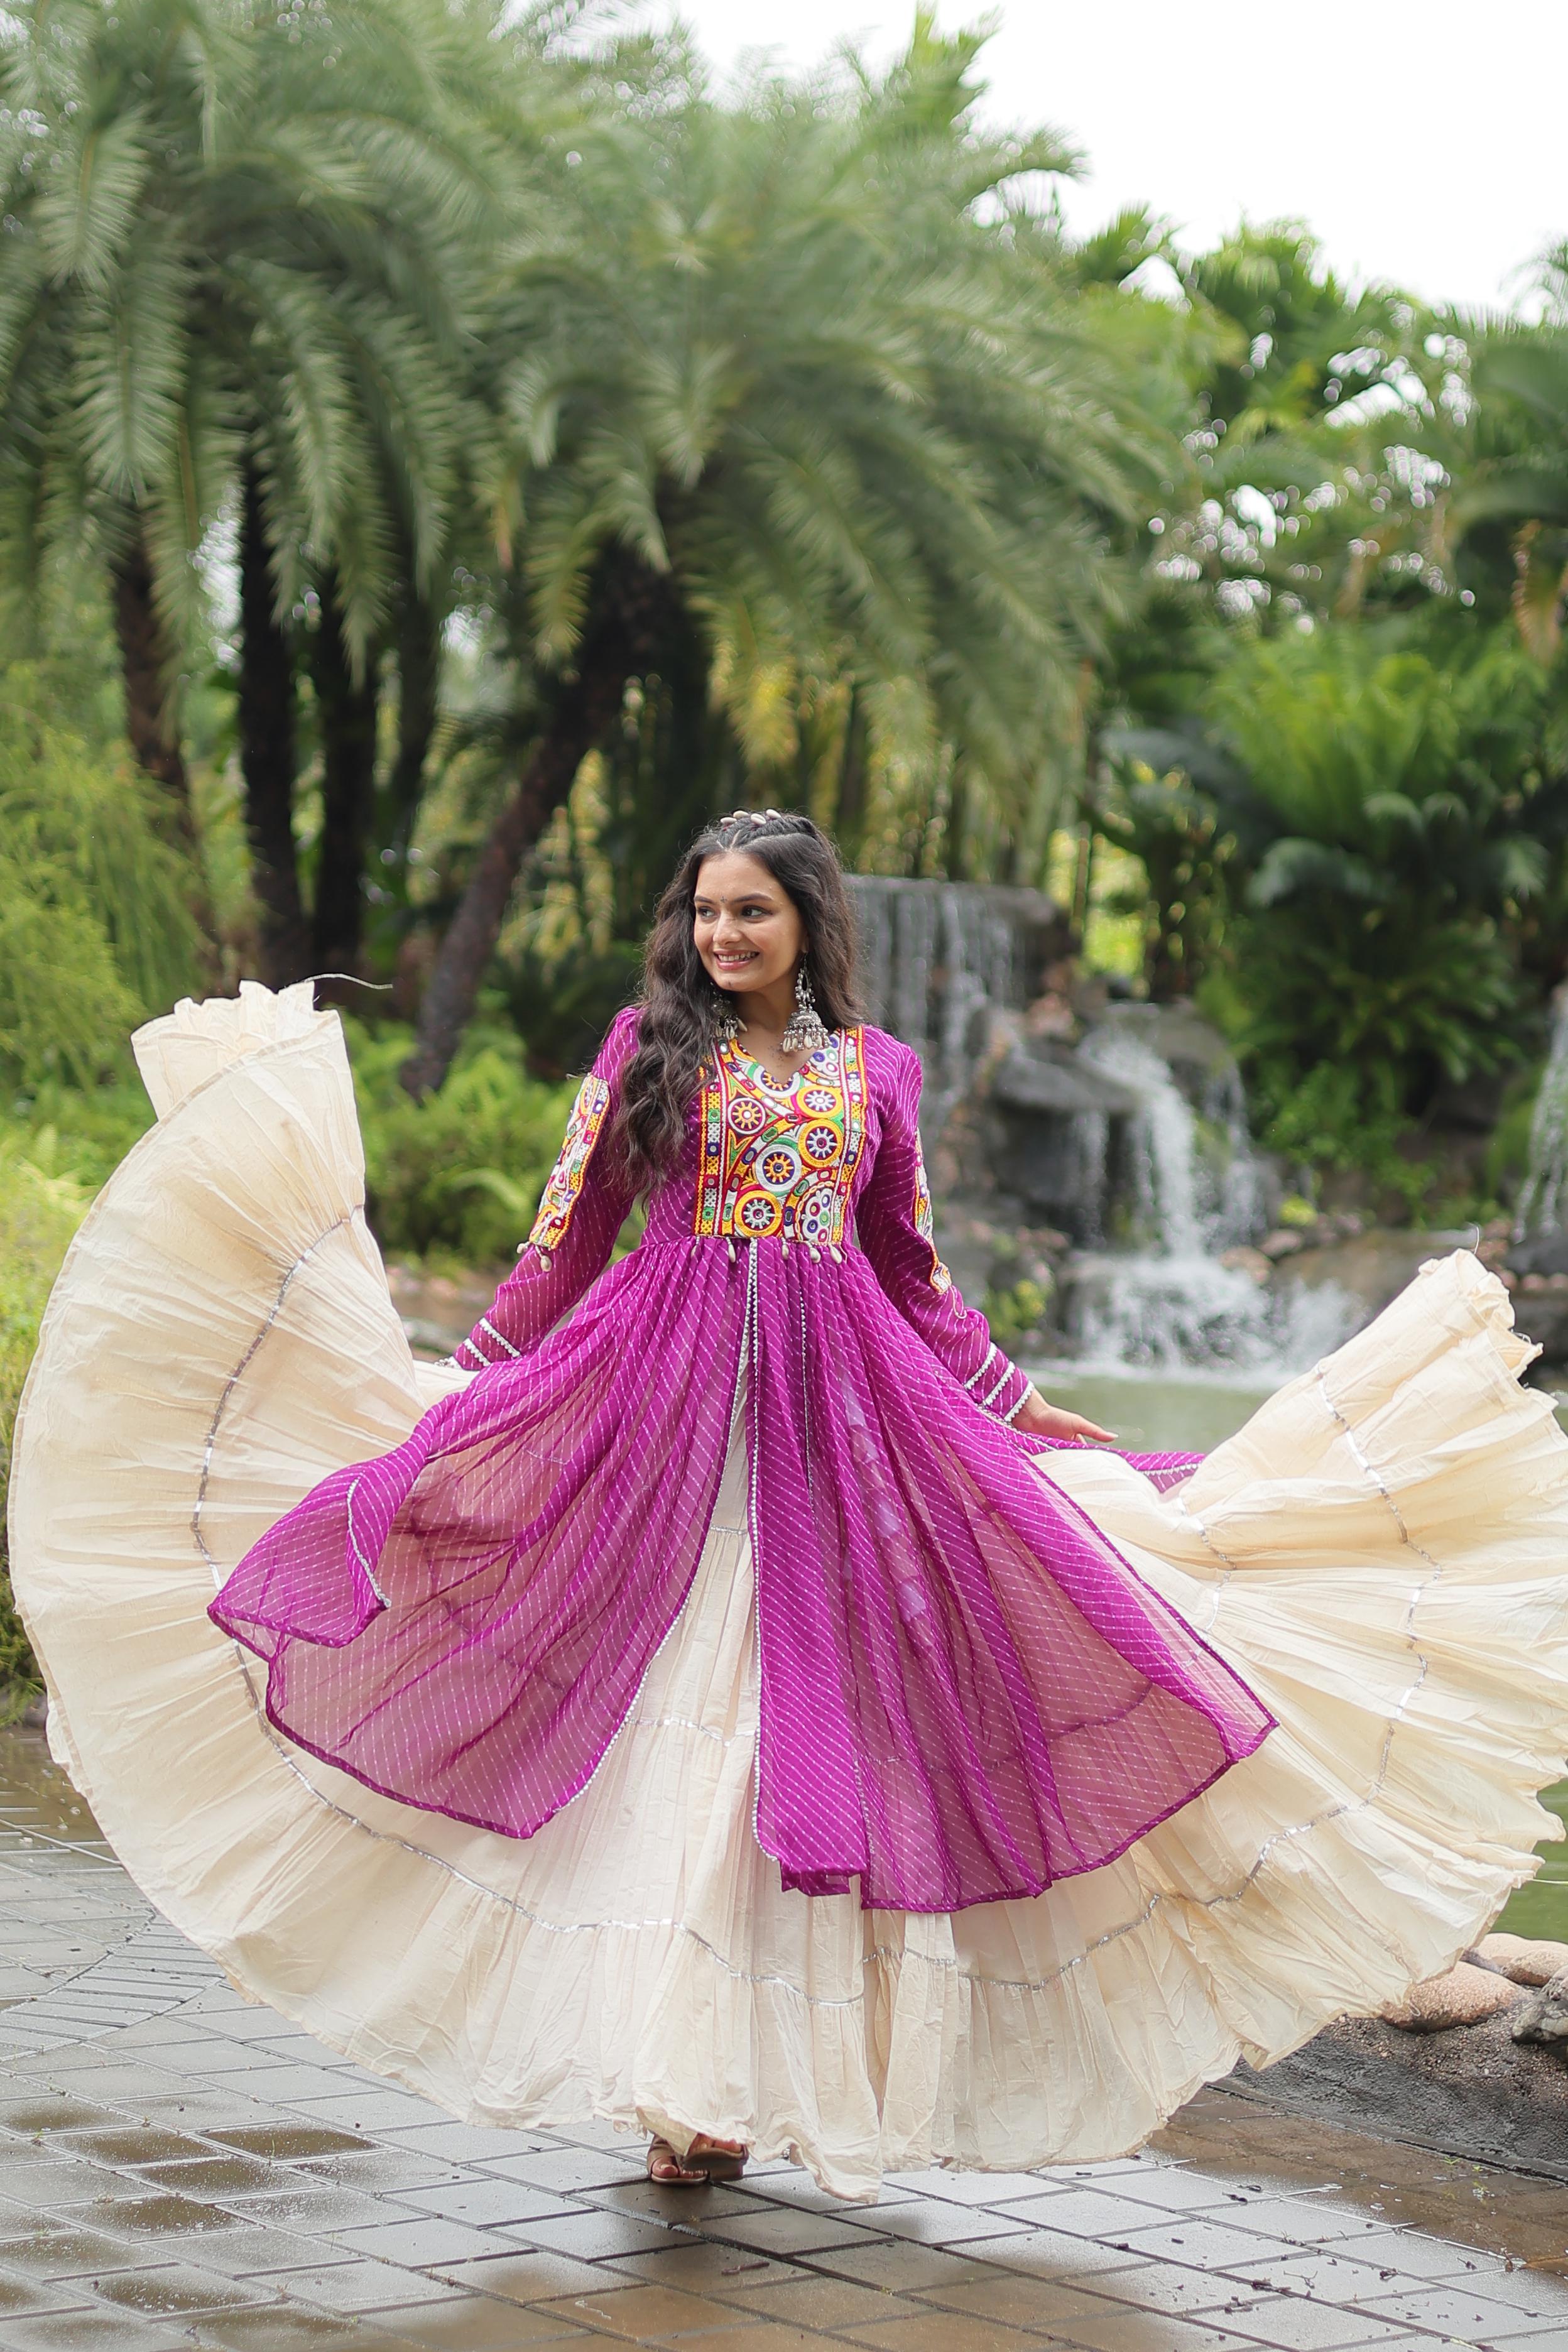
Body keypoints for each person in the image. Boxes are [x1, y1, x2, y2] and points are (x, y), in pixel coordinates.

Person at [11, 810, 1568, 2204]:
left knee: (803, 1724)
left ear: (811, 924)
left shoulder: (875, 1072)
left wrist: (1022, 1406)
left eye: (750, 912)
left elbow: (912, 1269)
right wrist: (463, 1381)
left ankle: (728, 2083)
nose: (720, 936)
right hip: (654, 1413)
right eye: (703, 911)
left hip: (850, 1424)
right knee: (673, 1728)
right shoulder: (646, 1049)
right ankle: (683, 2094)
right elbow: (566, 1245)